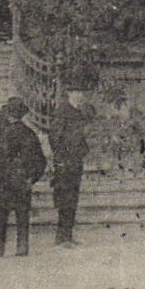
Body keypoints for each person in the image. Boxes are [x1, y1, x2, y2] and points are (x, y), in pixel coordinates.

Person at [0, 96, 45, 259]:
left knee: (0, 214)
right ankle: (22, 247)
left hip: (4, 180)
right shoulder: (29, 133)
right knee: (22, 214)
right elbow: (40, 160)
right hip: (23, 180)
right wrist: (32, 178)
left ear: (9, 114)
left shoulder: (4, 133)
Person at [48, 87, 92, 248]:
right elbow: (54, 137)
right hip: (65, 162)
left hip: (75, 161)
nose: (80, 94)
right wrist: (61, 158)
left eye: (81, 91)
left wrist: (82, 150)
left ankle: (67, 235)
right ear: (69, 94)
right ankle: (62, 238)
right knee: (64, 198)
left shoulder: (78, 111)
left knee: (72, 197)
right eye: (76, 91)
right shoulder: (62, 112)